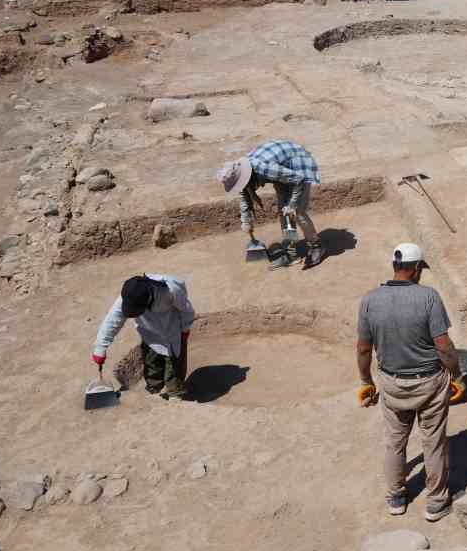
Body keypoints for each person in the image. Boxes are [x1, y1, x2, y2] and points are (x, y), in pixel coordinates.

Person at [356, 243, 462, 520]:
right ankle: (436, 502)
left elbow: (364, 349)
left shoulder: (369, 300)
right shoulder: (428, 297)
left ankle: (395, 497)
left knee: (394, 442)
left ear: (395, 266)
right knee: (434, 442)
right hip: (429, 382)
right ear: (415, 269)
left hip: (391, 382)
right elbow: (444, 345)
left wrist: (367, 381)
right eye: (420, 270)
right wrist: (457, 373)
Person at [218, 140, 325, 269]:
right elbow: (243, 195)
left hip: (298, 167)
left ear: (248, 177)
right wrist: (246, 221)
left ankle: (317, 246)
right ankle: (291, 255)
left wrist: (291, 204)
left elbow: (298, 180)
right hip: (283, 173)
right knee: (285, 215)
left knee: (297, 213)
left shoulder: (265, 169)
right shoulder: (240, 172)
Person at [92, 273, 196, 401]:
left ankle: (175, 394)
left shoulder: (171, 290)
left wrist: (185, 330)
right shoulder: (130, 295)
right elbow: (112, 320)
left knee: (174, 369)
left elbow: (186, 310)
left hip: (172, 333)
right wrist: (100, 348)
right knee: (152, 365)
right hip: (149, 334)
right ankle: (154, 390)